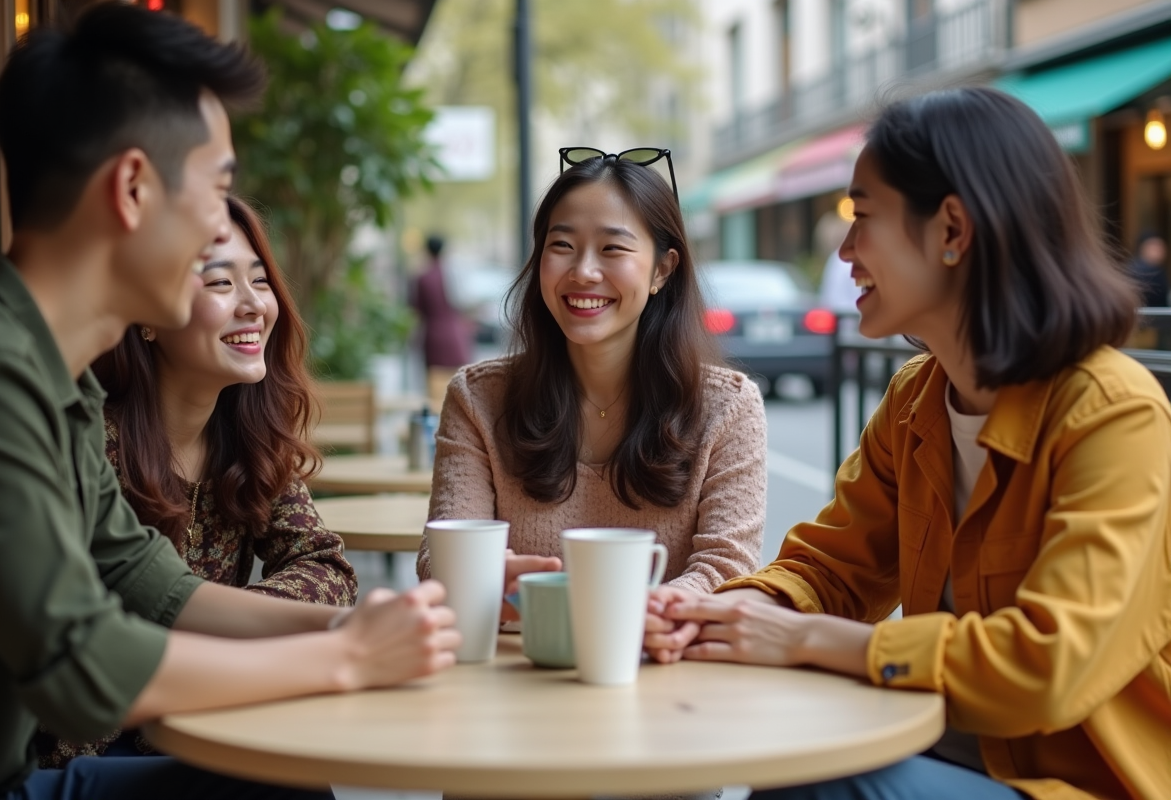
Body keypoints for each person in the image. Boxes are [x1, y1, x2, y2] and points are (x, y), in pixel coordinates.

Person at [0, 6, 459, 799]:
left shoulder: (52, 374)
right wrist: (343, 660)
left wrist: (361, 628)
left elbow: (151, 582)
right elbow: (77, 666)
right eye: (217, 187)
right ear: (132, 188)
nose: (222, 231)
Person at [645, 87, 1171, 799]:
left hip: (1074, 786)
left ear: (952, 229)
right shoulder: (917, 399)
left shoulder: (1113, 413)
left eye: (863, 216)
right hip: (937, 755)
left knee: (822, 782)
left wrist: (804, 640)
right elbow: (834, 568)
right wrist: (717, 614)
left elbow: (1048, 667)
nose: (845, 252)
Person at [34, 196, 358, 767]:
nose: (255, 304)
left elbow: (326, 569)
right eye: (220, 284)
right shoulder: (90, 445)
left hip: (205, 722)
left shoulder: (251, 435)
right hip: (83, 757)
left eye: (260, 280)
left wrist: (228, 621)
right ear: (149, 312)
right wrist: (236, 635)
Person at [417, 149, 767, 602]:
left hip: (669, 662)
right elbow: (442, 554)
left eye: (612, 248)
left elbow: (727, 569)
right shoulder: (478, 398)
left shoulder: (728, 407)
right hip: (513, 664)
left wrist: (621, 618)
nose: (583, 271)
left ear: (663, 268)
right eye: (561, 245)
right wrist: (473, 572)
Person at [410, 233, 474, 405]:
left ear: (426, 250)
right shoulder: (453, 275)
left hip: (433, 338)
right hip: (456, 337)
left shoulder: (423, 278)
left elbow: (416, 310)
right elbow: (465, 306)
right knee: (460, 387)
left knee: (434, 393)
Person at [1128, 230, 1168, 309]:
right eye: (1154, 247)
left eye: (1161, 247)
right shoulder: (1151, 272)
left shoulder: (1131, 267)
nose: (1159, 251)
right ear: (1142, 248)